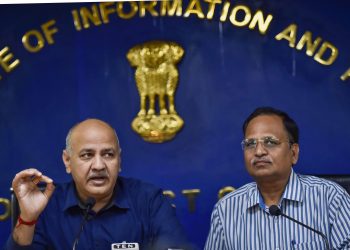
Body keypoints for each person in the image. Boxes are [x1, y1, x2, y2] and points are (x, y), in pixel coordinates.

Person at [6, 118, 191, 250]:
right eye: (87, 155)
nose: (99, 165)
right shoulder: (47, 205)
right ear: (67, 161)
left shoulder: (149, 200)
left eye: (108, 154)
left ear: (120, 160)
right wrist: (28, 219)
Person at [205, 107, 350, 249]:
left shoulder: (331, 198)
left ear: (293, 153)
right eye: (250, 144)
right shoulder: (226, 210)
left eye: (270, 142)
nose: (259, 151)